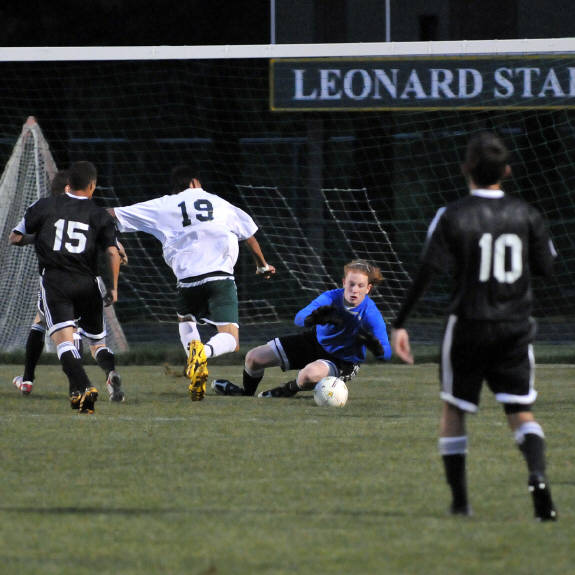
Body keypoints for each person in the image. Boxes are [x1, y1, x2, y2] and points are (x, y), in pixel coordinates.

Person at [390, 132, 557, 521]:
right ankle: (537, 478)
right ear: (507, 171)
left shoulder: (452, 214)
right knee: (520, 411)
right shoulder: (528, 214)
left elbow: (427, 271)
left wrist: (400, 323)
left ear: (466, 168)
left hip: (467, 325)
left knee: (454, 409)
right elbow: (547, 268)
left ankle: (461, 504)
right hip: (514, 327)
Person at [108, 165, 276, 402]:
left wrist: (107, 235)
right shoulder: (220, 203)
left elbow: (111, 214)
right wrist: (262, 265)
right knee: (231, 339)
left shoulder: (164, 205)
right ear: (195, 182)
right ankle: (202, 354)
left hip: (187, 280)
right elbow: (249, 235)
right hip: (220, 277)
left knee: (186, 319)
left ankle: (195, 362)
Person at [9, 161, 123, 414]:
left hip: (57, 282)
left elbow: (14, 237)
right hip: (88, 283)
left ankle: (81, 387)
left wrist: (38, 238)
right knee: (97, 342)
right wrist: (114, 287)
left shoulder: (44, 206)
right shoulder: (99, 214)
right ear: (92, 185)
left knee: (63, 343)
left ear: (68, 184)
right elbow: (113, 252)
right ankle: (106, 374)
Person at [213, 259, 391, 398]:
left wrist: (376, 347)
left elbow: (386, 353)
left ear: (368, 288)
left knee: (308, 375)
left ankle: (288, 390)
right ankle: (246, 393)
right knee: (253, 358)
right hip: (314, 342)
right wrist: (312, 318)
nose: (354, 290)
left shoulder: (371, 314)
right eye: (351, 284)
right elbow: (299, 318)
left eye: (360, 286)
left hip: (341, 360)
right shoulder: (331, 297)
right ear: (344, 282)